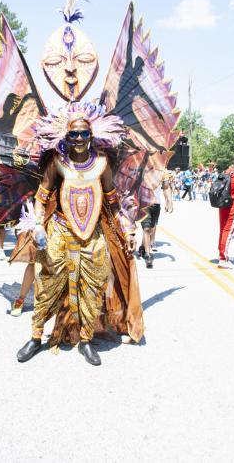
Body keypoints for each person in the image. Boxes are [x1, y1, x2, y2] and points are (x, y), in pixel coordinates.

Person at [16, 106, 141, 366]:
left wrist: (127, 227)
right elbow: (42, 197)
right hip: (60, 231)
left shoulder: (103, 164)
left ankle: (85, 340)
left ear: (91, 134)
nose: (79, 139)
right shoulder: (57, 163)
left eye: (84, 133)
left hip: (92, 235)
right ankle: (36, 337)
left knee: (93, 290)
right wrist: (38, 224)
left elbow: (112, 202)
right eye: (74, 135)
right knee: (47, 287)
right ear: (66, 136)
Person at [138, 170, 173, 268]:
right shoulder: (142, 167)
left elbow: (166, 187)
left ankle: (143, 246)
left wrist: (169, 201)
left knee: (152, 228)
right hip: (144, 203)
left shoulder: (163, 171)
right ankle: (148, 255)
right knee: (146, 229)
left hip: (156, 204)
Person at [217, 153, 234, 268]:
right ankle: (223, 259)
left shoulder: (226, 172)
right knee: (228, 233)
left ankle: (221, 254)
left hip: (222, 205)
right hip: (232, 208)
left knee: (223, 231)